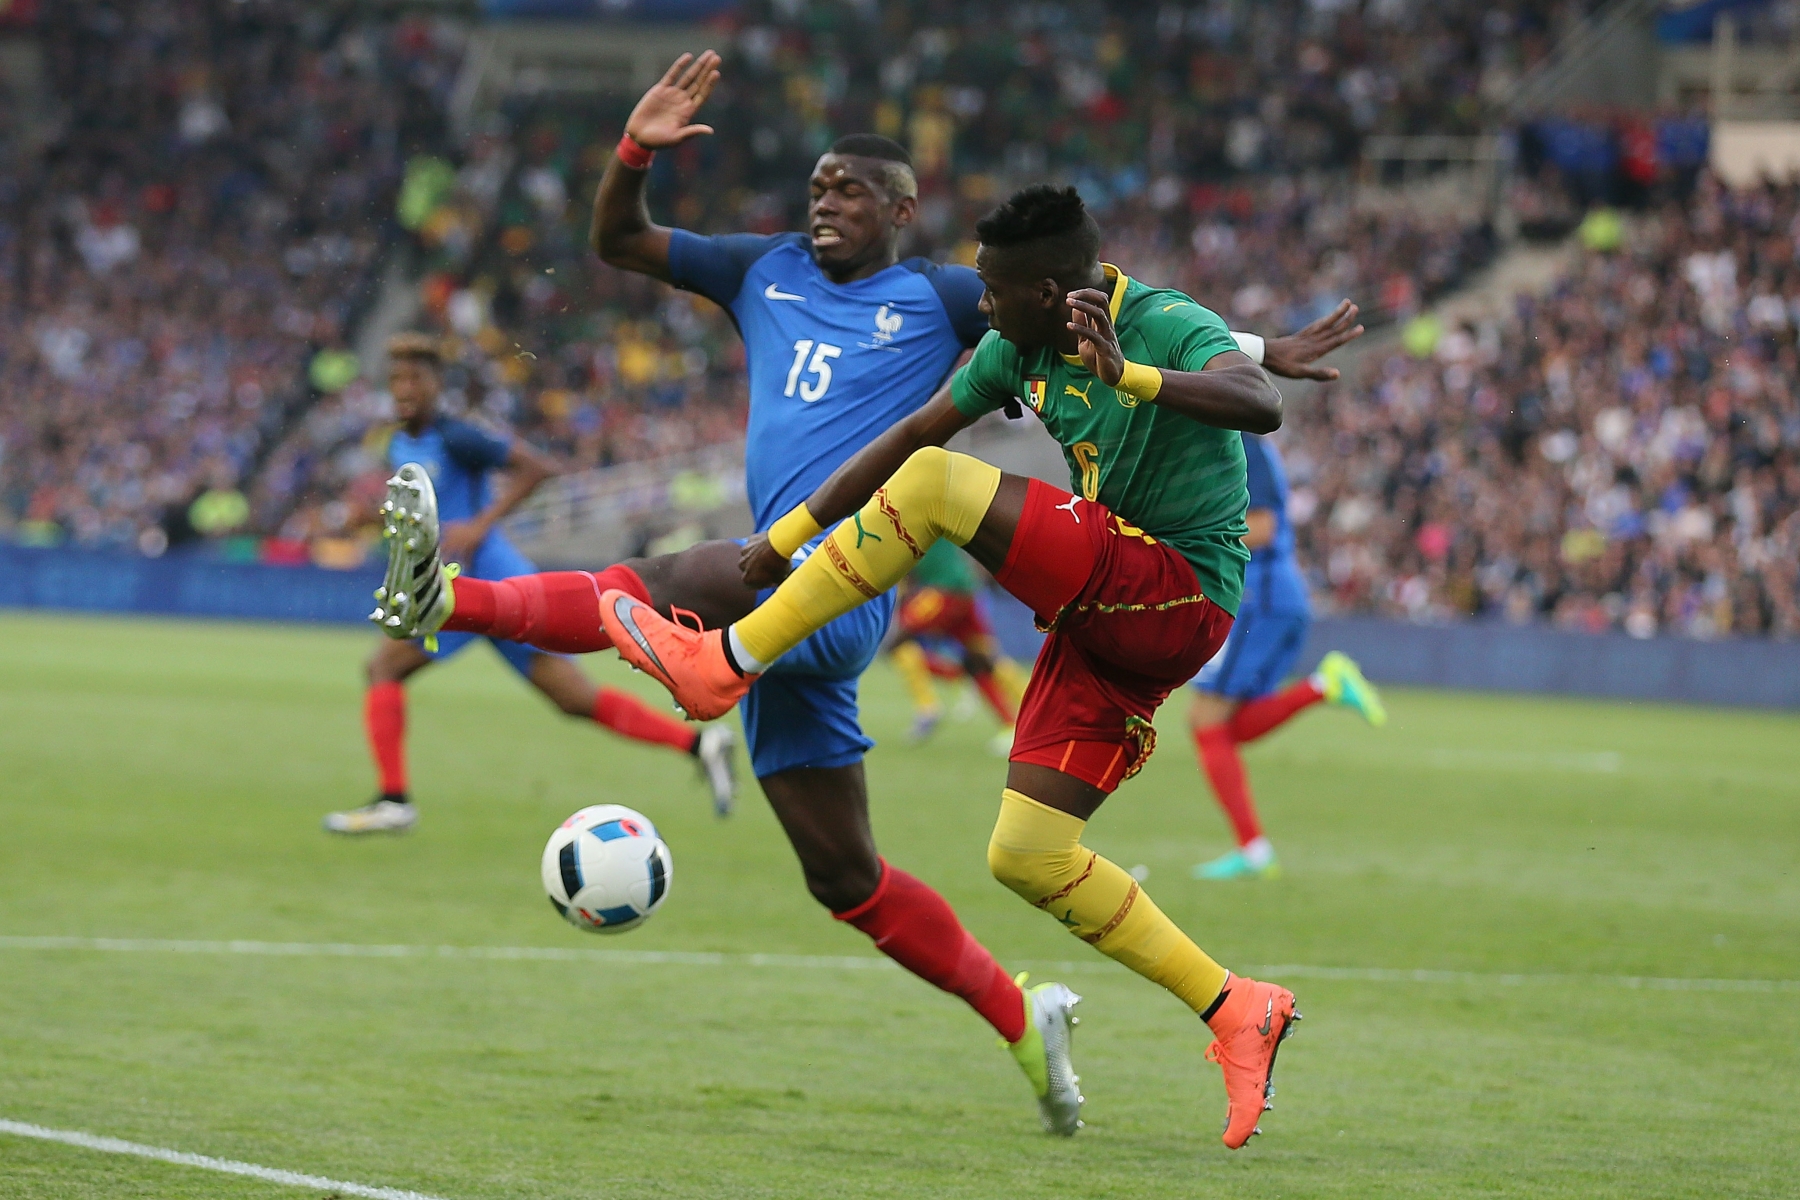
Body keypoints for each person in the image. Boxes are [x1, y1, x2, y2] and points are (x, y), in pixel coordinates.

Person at [369, 54, 1356, 1135]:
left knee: (702, 572)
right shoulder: (778, 275)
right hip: (987, 604)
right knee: (929, 869)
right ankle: (1147, 1014)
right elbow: (885, 416)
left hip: (1044, 590)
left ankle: (460, 604)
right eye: (816, 186)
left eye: (848, 188)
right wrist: (635, 150)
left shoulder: (971, 301)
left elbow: (1191, 359)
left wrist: (1203, 363)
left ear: (905, 212)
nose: (822, 201)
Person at [583, 185, 1360, 1148]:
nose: (978, 304)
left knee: (946, 491)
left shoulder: (1162, 322)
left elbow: (1260, 402)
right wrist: (782, 539)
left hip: (1179, 593)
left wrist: (1131, 377)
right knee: (1026, 855)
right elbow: (909, 434)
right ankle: (1237, 1006)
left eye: (993, 288)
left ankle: (724, 664)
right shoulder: (1015, 345)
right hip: (1107, 619)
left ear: (1048, 287)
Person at [332, 333, 737, 833]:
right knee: (575, 701)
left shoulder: (458, 436)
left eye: (415, 377)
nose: (404, 389)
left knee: (383, 668)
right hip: (474, 592)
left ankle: (394, 800)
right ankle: (700, 744)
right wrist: (371, 520)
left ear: (437, 384)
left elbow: (539, 468)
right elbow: (433, 514)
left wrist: (482, 524)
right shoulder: (398, 442)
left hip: (486, 585)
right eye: (396, 379)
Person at [1187, 432, 1386, 880]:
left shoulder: (1244, 444)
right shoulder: (1244, 443)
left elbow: (1261, 527)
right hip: (1270, 595)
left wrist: (1191, 534)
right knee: (1220, 726)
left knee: (1206, 721)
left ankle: (1254, 851)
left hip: (1262, 595)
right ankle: (1324, 686)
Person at [889, 540, 1027, 750]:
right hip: (965, 591)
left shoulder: (904, 518)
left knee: (896, 642)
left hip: (944, 591)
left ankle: (929, 706)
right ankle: (1019, 719)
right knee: (984, 660)